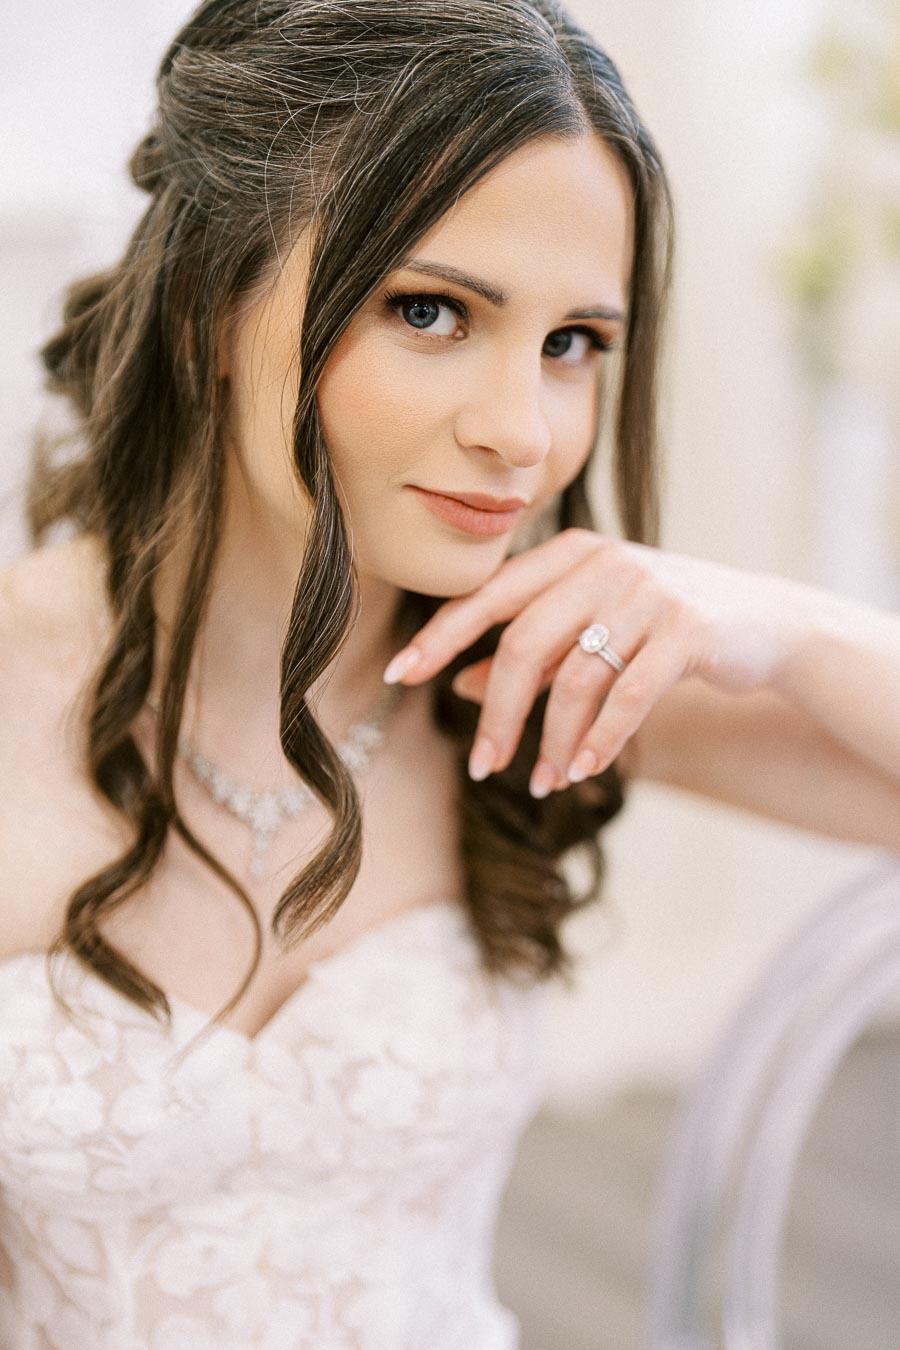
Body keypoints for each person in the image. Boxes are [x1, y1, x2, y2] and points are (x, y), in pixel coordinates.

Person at [0, 0, 897, 1346]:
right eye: (430, 310)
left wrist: (785, 627)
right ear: (204, 297)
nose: (521, 431)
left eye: (572, 344)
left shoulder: (533, 668)